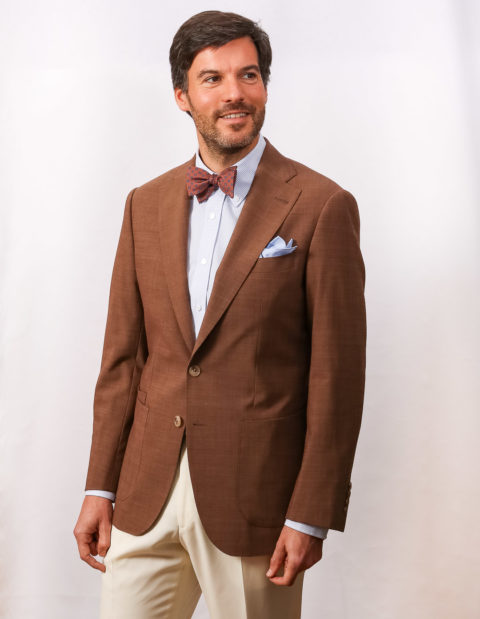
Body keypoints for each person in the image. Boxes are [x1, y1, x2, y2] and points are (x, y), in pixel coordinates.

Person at [73, 10, 366, 619]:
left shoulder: (321, 205)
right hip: (145, 495)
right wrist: (100, 484)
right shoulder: (145, 204)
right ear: (182, 96)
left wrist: (310, 512)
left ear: (265, 86)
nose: (235, 92)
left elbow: (336, 376)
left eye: (249, 75)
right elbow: (122, 361)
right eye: (213, 78)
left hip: (255, 501)